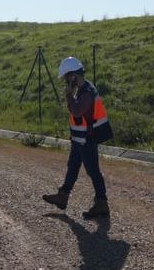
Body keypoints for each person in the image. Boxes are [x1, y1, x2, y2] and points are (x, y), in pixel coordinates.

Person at [42, 56, 112, 219]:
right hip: (79, 140)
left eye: (67, 78)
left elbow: (77, 111)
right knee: (72, 167)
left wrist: (68, 95)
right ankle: (63, 196)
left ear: (73, 76)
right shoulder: (82, 90)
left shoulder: (86, 93)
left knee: (93, 171)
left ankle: (102, 203)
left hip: (87, 140)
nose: (66, 82)